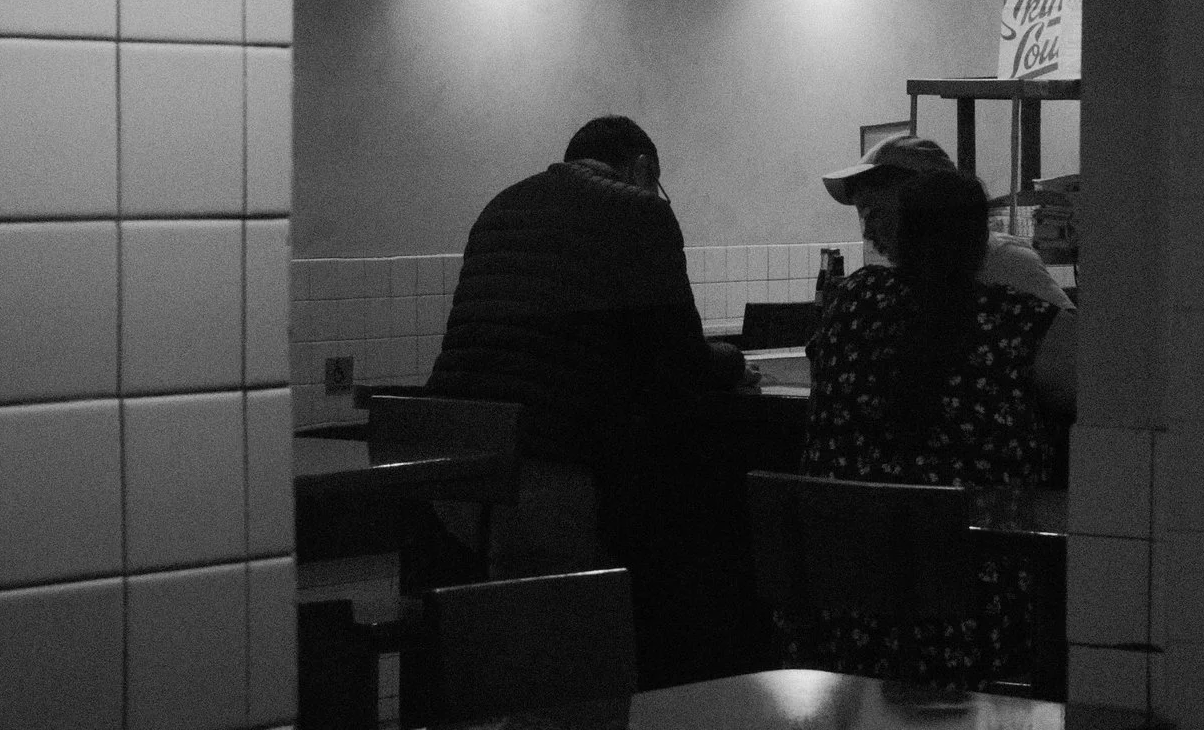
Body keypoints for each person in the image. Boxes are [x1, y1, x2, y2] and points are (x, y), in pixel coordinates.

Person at [424, 116, 763, 683]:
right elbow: (676, 357)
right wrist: (729, 361)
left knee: (507, 643)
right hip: (548, 461)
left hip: (456, 464)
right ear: (642, 169)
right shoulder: (641, 212)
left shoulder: (501, 205)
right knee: (565, 660)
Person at [799, 165, 1076, 684]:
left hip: (843, 614)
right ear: (982, 241)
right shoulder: (1017, 325)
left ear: (897, 238)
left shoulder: (848, 304)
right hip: (978, 617)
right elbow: (1115, 392)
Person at [821, 132, 1068, 309]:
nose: (869, 232)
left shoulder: (1004, 260)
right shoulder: (896, 285)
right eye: (864, 216)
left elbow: (1075, 357)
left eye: (876, 212)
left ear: (927, 205)